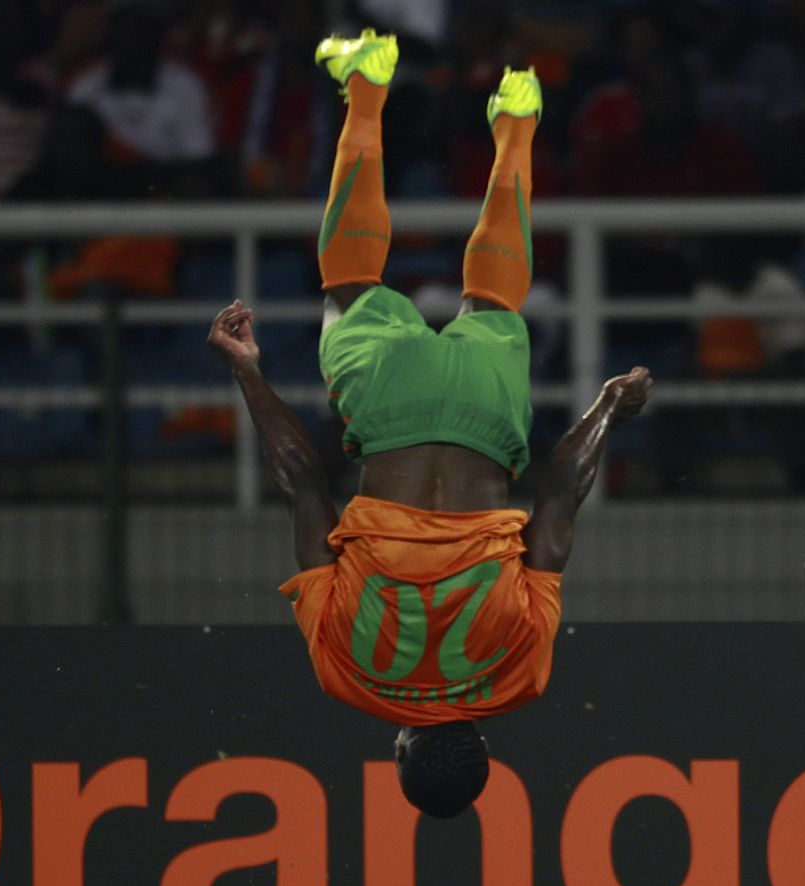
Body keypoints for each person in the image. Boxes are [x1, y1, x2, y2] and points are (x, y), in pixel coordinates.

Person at [207, 31, 651, 820]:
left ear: (481, 744)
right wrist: (247, 369)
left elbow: (555, 506)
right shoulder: (345, 673)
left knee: (493, 299)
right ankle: (366, 88)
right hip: (391, 412)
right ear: (402, 747)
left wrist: (608, 406)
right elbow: (304, 486)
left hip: (485, 419)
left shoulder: (523, 675)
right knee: (347, 282)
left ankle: (516, 122)